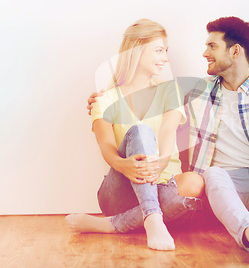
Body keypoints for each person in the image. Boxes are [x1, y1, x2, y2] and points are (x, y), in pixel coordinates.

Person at [87, 16, 249, 257]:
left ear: (235, 51)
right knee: (210, 174)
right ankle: (248, 232)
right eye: (160, 50)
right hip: (225, 186)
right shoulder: (198, 91)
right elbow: (143, 102)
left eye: (212, 45)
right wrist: (103, 101)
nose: (204, 53)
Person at [67, 19, 204, 251]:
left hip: (166, 186)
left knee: (195, 182)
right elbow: (106, 146)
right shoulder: (105, 99)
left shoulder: (170, 90)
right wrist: (122, 165)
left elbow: (169, 130)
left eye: (166, 51)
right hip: (122, 190)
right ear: (137, 51)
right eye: (159, 50)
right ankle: (152, 216)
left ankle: (112, 225)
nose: (166, 58)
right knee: (141, 131)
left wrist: (160, 164)